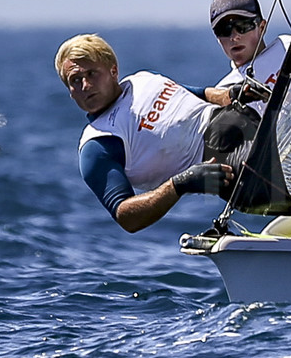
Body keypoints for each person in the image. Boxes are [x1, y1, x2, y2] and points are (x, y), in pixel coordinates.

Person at [56, 34, 260, 233]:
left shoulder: (142, 79)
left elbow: (198, 94)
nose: (85, 85)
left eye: (92, 73)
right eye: (75, 80)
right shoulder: (97, 144)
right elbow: (126, 216)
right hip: (231, 162)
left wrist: (230, 94)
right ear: (69, 91)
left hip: (246, 120)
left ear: (113, 71)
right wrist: (180, 184)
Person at [210, 0, 291, 110]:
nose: (234, 37)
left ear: (262, 27)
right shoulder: (224, 92)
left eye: (243, 26)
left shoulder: (288, 45)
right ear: (217, 37)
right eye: (224, 30)